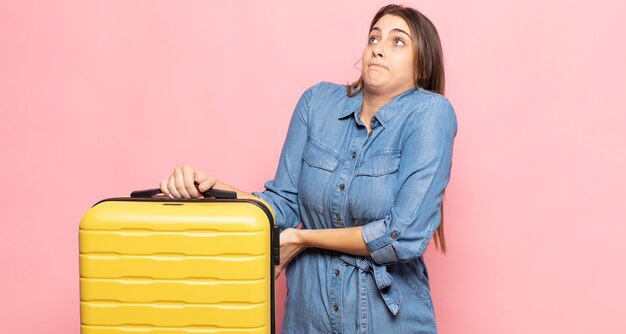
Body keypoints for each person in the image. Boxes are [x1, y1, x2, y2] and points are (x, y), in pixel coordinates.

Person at [159, 4, 457, 333]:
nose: (379, 49)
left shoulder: (430, 114)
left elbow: (401, 236)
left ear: (423, 64)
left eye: (398, 42)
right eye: (374, 37)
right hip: (308, 316)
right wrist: (210, 191)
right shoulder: (316, 104)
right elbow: (282, 206)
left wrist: (302, 238)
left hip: (387, 322)